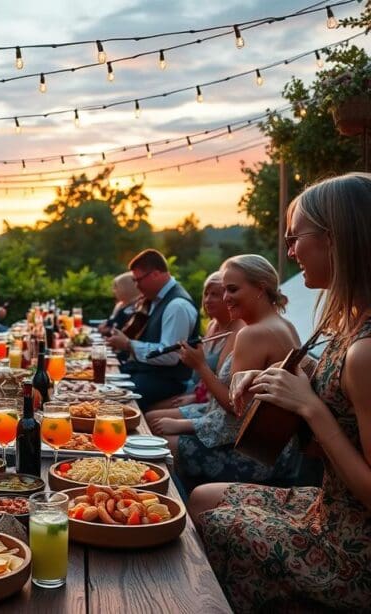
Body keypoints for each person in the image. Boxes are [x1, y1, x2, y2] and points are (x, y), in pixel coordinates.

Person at [189, 173, 371, 611]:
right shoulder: (348, 326)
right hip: (327, 506)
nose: (290, 251)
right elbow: (319, 445)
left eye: (296, 237)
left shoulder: (366, 351)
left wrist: (311, 408)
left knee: (214, 523)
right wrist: (282, 380)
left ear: (335, 238)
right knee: (199, 496)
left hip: (352, 549)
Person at [149, 255, 301, 490]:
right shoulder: (284, 325)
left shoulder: (253, 334)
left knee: (158, 443)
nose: (226, 297)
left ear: (260, 288)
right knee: (156, 427)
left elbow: (236, 410)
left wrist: (200, 367)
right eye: (224, 290)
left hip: (257, 454)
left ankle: (180, 513)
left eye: (232, 289)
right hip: (283, 452)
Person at [106, 249, 200, 409]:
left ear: (156, 274)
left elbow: (169, 356)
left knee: (112, 403)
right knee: (105, 386)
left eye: (138, 280)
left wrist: (129, 345)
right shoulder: (154, 301)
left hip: (167, 381)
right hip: (150, 374)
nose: (136, 286)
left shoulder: (177, 305)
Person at [148, 271, 243, 410]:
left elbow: (223, 381)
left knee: (151, 415)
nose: (207, 300)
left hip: (209, 401)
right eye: (206, 294)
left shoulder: (237, 331)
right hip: (194, 390)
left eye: (215, 294)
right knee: (146, 406)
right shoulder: (212, 325)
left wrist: (196, 396)